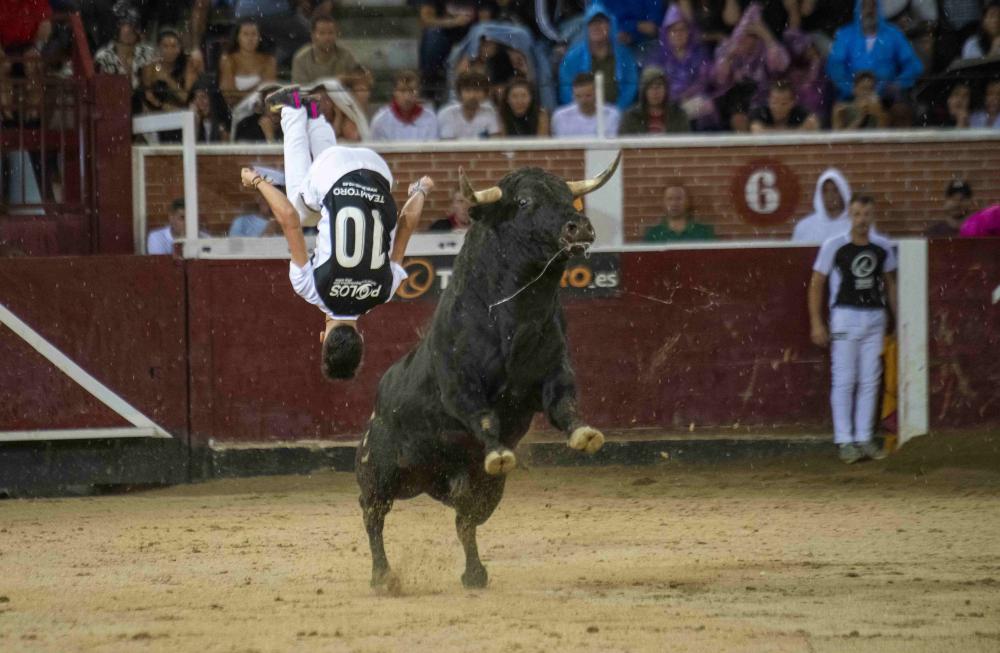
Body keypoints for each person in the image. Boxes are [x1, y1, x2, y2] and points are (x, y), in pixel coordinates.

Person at [241, 85, 434, 380]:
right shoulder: (311, 288)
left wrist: (420, 191)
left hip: (378, 171)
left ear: (362, 339)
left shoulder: (385, 291)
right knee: (300, 208)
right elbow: (289, 219)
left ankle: (316, 115)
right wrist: (257, 181)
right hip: (333, 172)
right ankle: (293, 109)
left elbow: (406, 223)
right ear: (322, 339)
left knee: (321, 202)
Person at [808, 194, 898, 464]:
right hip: (845, 317)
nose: (862, 220)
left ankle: (863, 438)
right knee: (846, 379)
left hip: (874, 317)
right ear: (850, 215)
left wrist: (898, 318)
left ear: (873, 216)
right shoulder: (834, 245)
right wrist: (816, 321)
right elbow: (817, 283)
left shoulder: (882, 247)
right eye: (857, 214)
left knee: (870, 379)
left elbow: (890, 285)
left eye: (867, 214)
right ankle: (845, 439)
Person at [826, 0, 923, 106]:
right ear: (858, 9)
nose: (869, 11)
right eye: (864, 6)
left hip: (887, 100)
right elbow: (834, 66)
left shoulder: (893, 34)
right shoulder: (845, 35)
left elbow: (913, 65)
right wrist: (850, 88)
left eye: (873, 6)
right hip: (851, 100)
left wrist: (897, 85)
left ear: (879, 9)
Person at [712, 3, 791, 132]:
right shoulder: (728, 47)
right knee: (737, 113)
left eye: (749, 36)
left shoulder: (765, 47)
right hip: (735, 97)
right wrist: (729, 57)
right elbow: (718, 78)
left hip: (764, 95)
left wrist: (767, 36)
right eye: (741, 34)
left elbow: (782, 65)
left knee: (761, 114)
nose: (743, 39)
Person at [558, 3, 639, 111]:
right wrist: (585, 112)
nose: (596, 27)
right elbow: (565, 89)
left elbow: (630, 87)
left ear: (610, 26)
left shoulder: (624, 55)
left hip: (618, 117)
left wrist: (615, 112)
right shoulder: (572, 57)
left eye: (601, 22)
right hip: (581, 117)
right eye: (592, 23)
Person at [644, 5, 716, 126]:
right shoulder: (657, 57)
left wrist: (686, 96)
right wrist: (674, 99)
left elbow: (704, 81)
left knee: (704, 105)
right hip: (666, 103)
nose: (678, 34)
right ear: (666, 34)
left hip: (695, 102)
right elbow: (652, 83)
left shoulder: (699, 53)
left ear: (689, 32)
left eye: (682, 30)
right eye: (673, 30)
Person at [93, 10, 156, 108]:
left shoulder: (148, 53)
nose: (129, 30)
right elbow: (101, 92)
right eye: (124, 25)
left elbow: (154, 85)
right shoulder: (103, 57)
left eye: (133, 25)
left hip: (145, 110)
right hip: (113, 109)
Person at [218, 18, 277, 108]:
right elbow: (229, 96)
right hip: (233, 109)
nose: (250, 39)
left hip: (261, 110)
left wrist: (242, 95)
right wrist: (258, 89)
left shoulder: (269, 60)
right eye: (245, 34)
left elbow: (268, 93)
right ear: (237, 37)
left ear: (259, 37)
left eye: (254, 34)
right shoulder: (228, 60)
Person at [618, 66, 691, 135]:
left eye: (659, 86)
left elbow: (685, 144)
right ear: (643, 91)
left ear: (666, 89)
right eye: (650, 87)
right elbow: (624, 144)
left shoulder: (678, 115)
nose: (655, 92)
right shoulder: (631, 117)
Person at [370, 70, 440, 141]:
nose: (407, 97)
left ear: (418, 93)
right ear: (394, 92)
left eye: (412, 91)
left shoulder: (430, 119)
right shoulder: (381, 121)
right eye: (402, 91)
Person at [291, 16, 359, 87]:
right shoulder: (301, 58)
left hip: (340, 96)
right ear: (313, 36)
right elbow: (295, 92)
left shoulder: (345, 54)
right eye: (322, 33)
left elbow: (360, 81)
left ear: (337, 34)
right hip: (310, 97)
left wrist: (349, 79)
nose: (327, 37)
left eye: (331, 33)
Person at [791, 168, 853, 243]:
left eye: (835, 190)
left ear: (842, 192)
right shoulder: (805, 227)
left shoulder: (856, 225)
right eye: (825, 191)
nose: (830, 196)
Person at [552, 72, 620, 137]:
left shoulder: (612, 115)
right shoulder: (561, 117)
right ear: (573, 95)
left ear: (597, 94)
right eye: (578, 96)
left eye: (588, 95)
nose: (583, 101)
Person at [437, 71, 500, 139]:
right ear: (459, 93)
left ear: (485, 94)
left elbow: (494, 142)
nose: (472, 95)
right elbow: (447, 145)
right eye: (468, 90)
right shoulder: (446, 114)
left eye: (477, 90)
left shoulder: (490, 113)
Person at [642, 184, 715, 241]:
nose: (674, 203)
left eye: (679, 199)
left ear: (688, 201)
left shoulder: (703, 233)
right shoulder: (653, 234)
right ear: (663, 203)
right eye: (670, 199)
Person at [749, 79, 820, 132]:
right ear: (768, 100)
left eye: (784, 103)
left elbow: (813, 124)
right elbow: (757, 131)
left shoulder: (800, 113)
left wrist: (769, 131)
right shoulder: (760, 113)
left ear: (792, 103)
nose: (778, 107)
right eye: (774, 102)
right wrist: (797, 131)